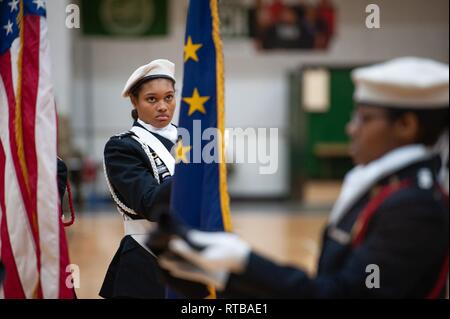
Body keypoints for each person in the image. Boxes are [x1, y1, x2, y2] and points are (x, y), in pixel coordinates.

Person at [154, 57, 449, 298]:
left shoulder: (414, 207)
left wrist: (244, 261)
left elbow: (340, 295)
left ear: (406, 125)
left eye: (365, 118)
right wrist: (221, 274)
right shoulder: (386, 187)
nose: (351, 128)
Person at [99, 59, 178, 299]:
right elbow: (151, 204)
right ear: (134, 101)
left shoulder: (191, 139)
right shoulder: (122, 147)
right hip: (146, 260)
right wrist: (191, 168)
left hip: (192, 257)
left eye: (169, 97)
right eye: (152, 99)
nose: (163, 106)